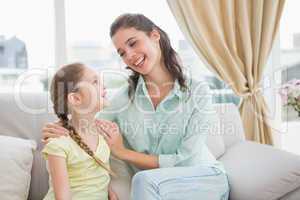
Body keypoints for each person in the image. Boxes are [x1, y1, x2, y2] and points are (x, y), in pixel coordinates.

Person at [43, 13, 229, 200]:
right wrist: (61, 127)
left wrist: (122, 152)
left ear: (154, 36)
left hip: (202, 178)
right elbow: (86, 123)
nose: (129, 56)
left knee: (143, 180)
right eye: (122, 53)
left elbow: (186, 160)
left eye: (133, 43)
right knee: (144, 181)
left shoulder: (198, 91)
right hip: (155, 187)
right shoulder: (122, 99)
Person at [42, 63, 118, 200]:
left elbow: (95, 174)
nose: (104, 86)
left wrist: (109, 192)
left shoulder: (102, 134)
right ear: (76, 98)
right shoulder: (58, 144)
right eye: (95, 82)